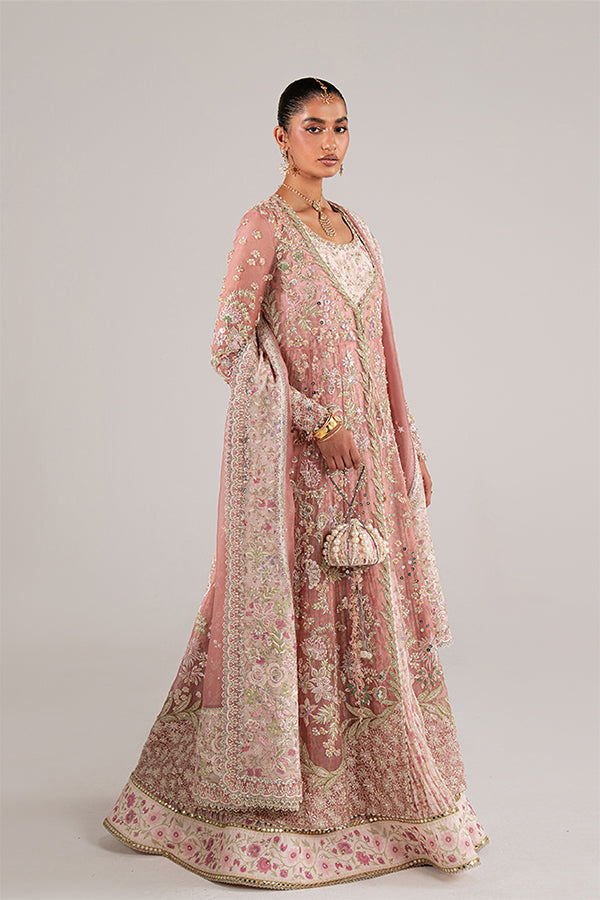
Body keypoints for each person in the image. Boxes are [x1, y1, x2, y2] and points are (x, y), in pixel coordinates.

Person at [103, 77, 489, 889]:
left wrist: (405, 443)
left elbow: (381, 348)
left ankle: (381, 796)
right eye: (314, 127)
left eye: (341, 127)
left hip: (369, 464)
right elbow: (229, 345)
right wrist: (316, 421)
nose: (331, 142)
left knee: (370, 617)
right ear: (280, 137)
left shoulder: (356, 228)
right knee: (305, 612)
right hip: (302, 469)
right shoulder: (263, 226)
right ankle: (277, 796)